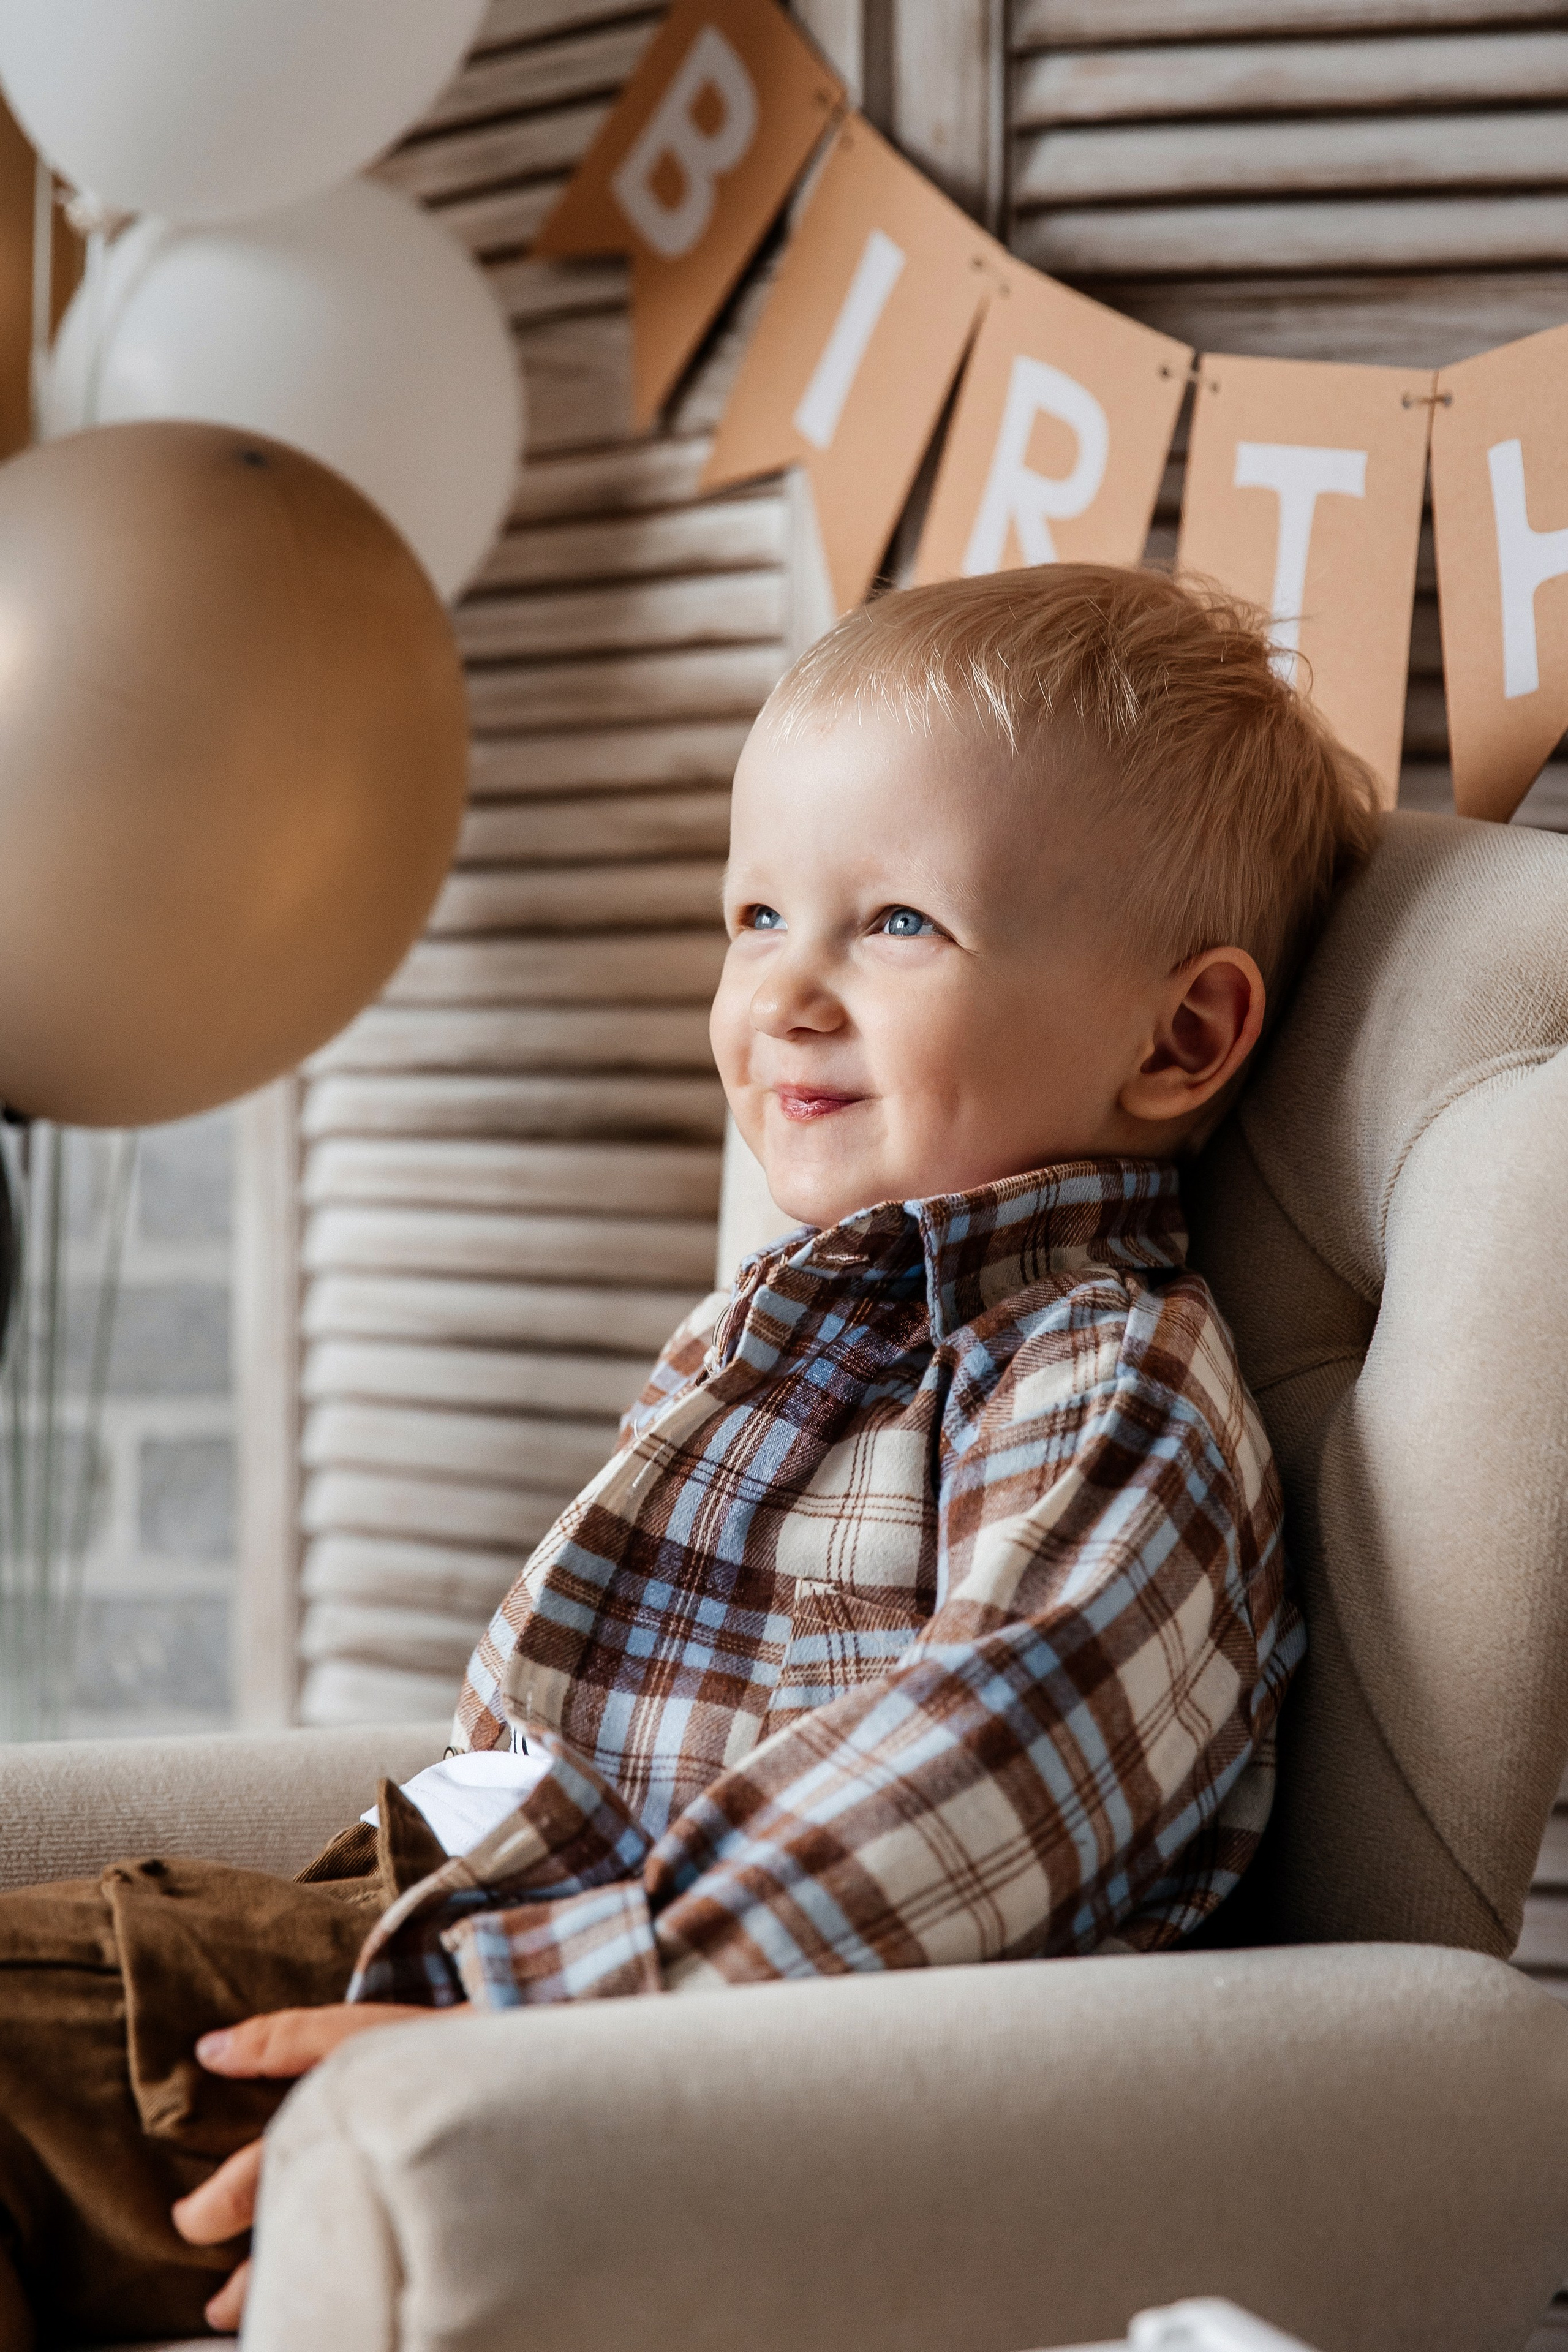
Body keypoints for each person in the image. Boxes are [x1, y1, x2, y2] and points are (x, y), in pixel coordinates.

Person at [0, 564, 1380, 2341]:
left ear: (1180, 1036)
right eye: (753, 917)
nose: (787, 993)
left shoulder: (1107, 1390)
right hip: (414, 1920)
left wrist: (527, 2034)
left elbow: (985, 1772)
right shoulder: (792, 1320)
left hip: (571, 2031)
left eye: (896, 925)